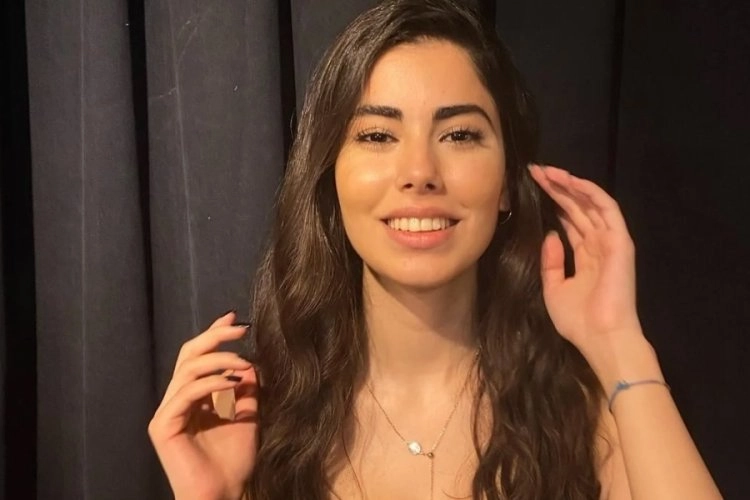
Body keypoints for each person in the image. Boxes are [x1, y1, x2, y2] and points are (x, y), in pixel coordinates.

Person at [148, 1, 722, 498]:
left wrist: (619, 345)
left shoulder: (590, 413)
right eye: (377, 136)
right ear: (330, 175)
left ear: (507, 182)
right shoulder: (250, 420)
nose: (420, 171)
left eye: (459, 135)